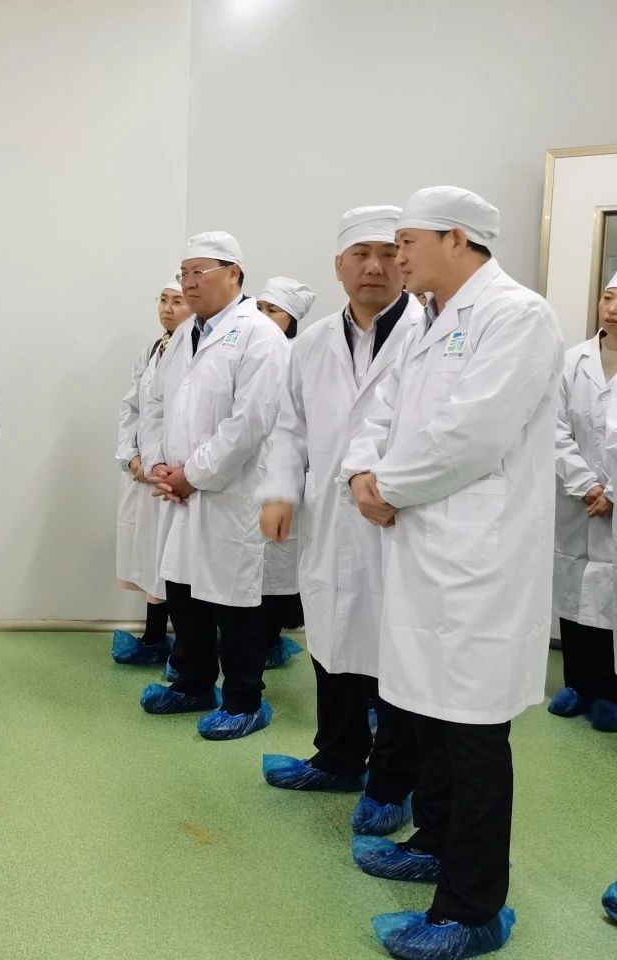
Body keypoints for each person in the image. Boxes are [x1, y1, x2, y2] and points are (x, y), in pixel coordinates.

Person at [339, 187, 563, 960]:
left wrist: (386, 488)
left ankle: (473, 910)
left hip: (479, 560)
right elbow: (378, 413)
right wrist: (362, 475)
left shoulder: (518, 316)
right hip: (423, 547)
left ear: (458, 238)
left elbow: (473, 434)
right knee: (428, 711)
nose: (396, 255)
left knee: (472, 731)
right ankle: (433, 842)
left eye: (407, 240)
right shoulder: (429, 321)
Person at [256, 207, 422, 838]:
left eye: (388, 253)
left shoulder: (428, 334)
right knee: (331, 638)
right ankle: (339, 756)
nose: (374, 266)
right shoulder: (313, 342)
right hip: (329, 516)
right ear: (338, 266)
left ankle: (394, 783)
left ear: (405, 261)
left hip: (400, 519)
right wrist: (279, 491)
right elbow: (289, 427)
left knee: (396, 651)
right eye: (360, 255)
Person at [139, 231, 287, 741]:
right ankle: (193, 683)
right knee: (183, 589)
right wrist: (160, 464)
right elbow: (156, 402)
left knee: (235, 598)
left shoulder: (259, 335)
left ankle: (245, 700)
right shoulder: (185, 334)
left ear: (234, 274)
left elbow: (251, 423)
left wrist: (193, 474)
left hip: (231, 491)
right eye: (184, 273)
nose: (188, 282)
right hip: (179, 487)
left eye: (199, 272)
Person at [112, 280, 191, 667]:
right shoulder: (152, 350)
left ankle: (185, 649)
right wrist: (132, 459)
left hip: (174, 477)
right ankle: (155, 638)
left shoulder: (195, 352)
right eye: (163, 300)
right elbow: (133, 409)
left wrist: (159, 464)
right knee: (150, 558)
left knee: (175, 563)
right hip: (144, 473)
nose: (168, 308)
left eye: (177, 301)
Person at [551, 271, 617, 730]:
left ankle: (610, 692)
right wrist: (588, 486)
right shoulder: (572, 361)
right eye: (608, 298)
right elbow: (552, 428)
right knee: (574, 588)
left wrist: (612, 491)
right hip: (576, 499)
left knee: (610, 595)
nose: (613, 309)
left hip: (612, 503)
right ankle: (579, 685)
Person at [254, 276, 316, 669]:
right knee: (257, 565)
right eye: (259, 308)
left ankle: (270, 640)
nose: (263, 317)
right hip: (253, 473)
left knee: (279, 565)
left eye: (272, 310)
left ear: (291, 318)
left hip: (290, 477)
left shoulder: (300, 356)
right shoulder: (253, 352)